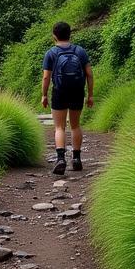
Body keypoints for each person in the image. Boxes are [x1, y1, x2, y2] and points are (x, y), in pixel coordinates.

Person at [41, 21, 94, 175]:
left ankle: (60, 159)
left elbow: (46, 78)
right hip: (77, 91)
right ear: (70, 34)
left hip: (59, 91)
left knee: (59, 127)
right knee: (75, 125)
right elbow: (89, 74)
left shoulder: (51, 53)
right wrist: (90, 95)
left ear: (54, 36)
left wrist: (44, 95)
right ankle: (76, 159)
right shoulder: (80, 51)